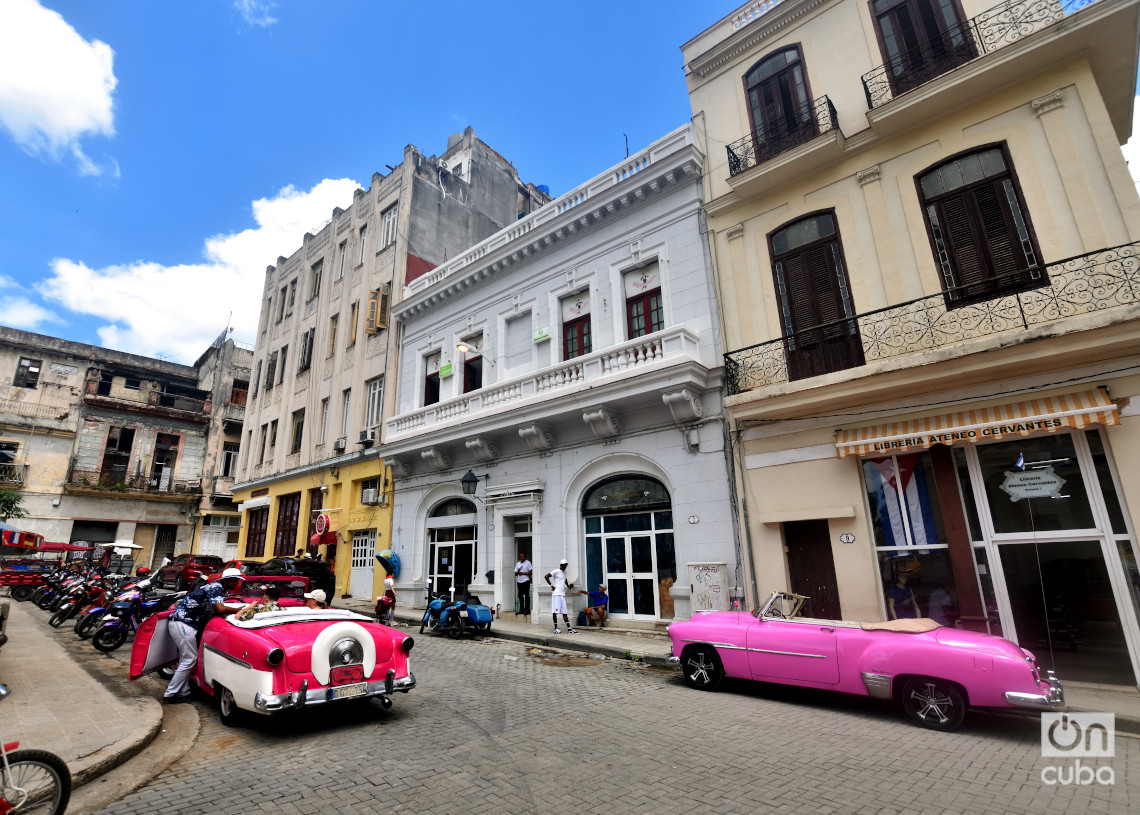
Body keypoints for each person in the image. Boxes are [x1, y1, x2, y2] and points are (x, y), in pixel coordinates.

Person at [164, 567, 243, 703]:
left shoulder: (216, 588)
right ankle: (170, 694)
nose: (237, 583)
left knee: (186, 660)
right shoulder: (216, 588)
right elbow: (220, 608)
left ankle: (184, 692)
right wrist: (240, 610)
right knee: (189, 660)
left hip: (180, 623)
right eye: (236, 580)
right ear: (228, 580)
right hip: (184, 624)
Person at [544, 559, 577, 634]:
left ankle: (569, 628)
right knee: (555, 612)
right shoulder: (556, 571)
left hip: (562, 595)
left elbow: (564, 580)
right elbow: (546, 576)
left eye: (566, 565)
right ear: (560, 565)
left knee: (564, 612)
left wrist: (568, 586)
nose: (564, 566)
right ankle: (556, 628)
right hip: (556, 594)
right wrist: (552, 585)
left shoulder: (565, 572)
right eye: (563, 565)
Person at [513, 552, 533, 616]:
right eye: (521, 557)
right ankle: (521, 610)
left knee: (527, 595)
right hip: (519, 581)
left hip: (526, 581)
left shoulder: (528, 563)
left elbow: (531, 572)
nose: (522, 558)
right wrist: (518, 572)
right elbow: (515, 574)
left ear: (525, 557)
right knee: (520, 596)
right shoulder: (518, 564)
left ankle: (527, 609)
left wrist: (523, 573)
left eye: (523, 557)